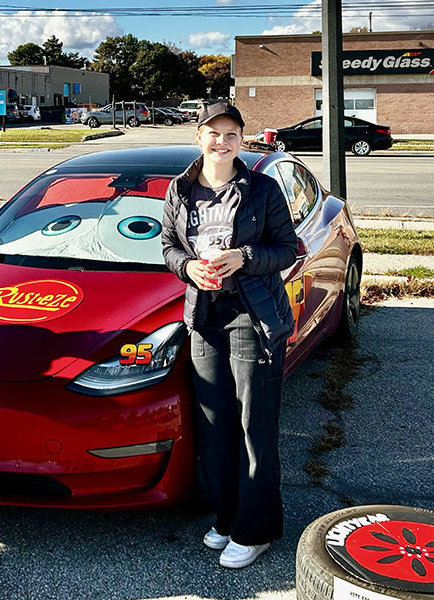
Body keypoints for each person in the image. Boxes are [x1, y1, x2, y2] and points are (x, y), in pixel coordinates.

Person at [161, 102, 297, 569]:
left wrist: (243, 257)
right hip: (204, 316)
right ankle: (226, 518)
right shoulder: (179, 190)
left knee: (253, 427)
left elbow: (286, 249)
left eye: (231, 133)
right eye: (213, 133)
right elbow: (168, 247)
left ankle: (255, 529)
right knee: (215, 426)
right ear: (198, 137)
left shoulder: (261, 189)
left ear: (242, 139)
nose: (222, 141)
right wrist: (188, 267)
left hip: (252, 316)